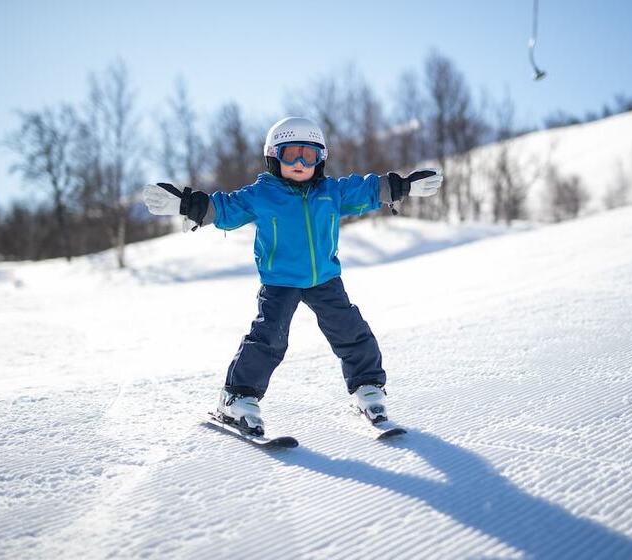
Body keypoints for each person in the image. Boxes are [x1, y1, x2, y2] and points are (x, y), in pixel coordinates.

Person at [143, 117, 443, 435]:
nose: (300, 163)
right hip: (279, 283)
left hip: (325, 280)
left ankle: (367, 387)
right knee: (268, 339)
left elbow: (367, 189)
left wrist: (403, 185)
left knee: (351, 331)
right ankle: (237, 397)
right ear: (274, 157)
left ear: (320, 159)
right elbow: (225, 209)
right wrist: (188, 205)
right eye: (291, 155)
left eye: (309, 155)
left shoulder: (331, 192)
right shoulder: (262, 194)